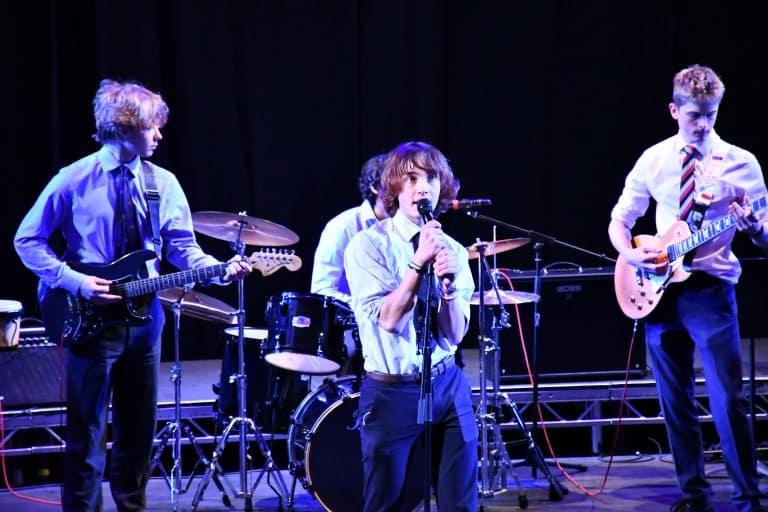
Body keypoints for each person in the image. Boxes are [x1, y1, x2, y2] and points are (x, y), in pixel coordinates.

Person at [14, 79, 251, 511]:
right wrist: (75, 281)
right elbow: (27, 240)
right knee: (87, 432)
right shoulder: (73, 179)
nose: (159, 135)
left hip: (145, 318)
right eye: (151, 127)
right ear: (122, 128)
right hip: (89, 316)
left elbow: (182, 248)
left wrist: (220, 270)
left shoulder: (163, 183)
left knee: (138, 430)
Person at [608, 65, 767, 512]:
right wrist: (629, 255)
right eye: (695, 115)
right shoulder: (654, 159)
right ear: (674, 110)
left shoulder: (740, 163)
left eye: (711, 114)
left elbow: (765, 234)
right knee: (674, 399)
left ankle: (747, 498)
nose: (703, 124)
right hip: (661, 288)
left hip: (711, 289)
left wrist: (755, 228)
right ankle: (694, 496)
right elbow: (620, 219)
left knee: (727, 399)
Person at [344, 141, 478, 511]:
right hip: (392, 391)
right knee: (384, 502)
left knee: (460, 502)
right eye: (411, 178)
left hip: (447, 383)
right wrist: (418, 264)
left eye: (431, 178)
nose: (423, 187)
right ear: (394, 187)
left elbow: (454, 334)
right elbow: (390, 320)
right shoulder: (368, 246)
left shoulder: (453, 250)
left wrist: (448, 288)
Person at [311, 153, 389, 304]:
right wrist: (368, 309)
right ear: (375, 187)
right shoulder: (343, 226)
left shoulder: (406, 227)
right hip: (352, 318)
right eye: (395, 182)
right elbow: (322, 289)